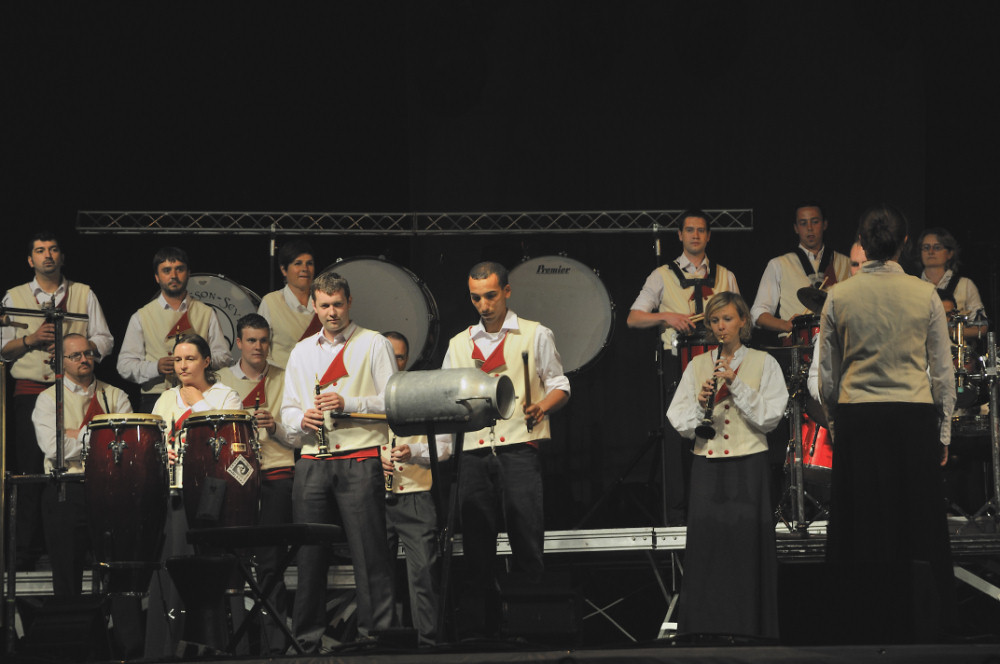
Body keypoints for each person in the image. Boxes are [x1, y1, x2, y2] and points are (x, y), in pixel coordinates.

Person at [818, 205, 956, 643]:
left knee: (861, 523)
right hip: (911, 417)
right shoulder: (924, 294)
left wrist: (837, 425)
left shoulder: (839, 295)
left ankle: (857, 622)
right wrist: (944, 429)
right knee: (916, 521)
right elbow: (942, 371)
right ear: (905, 243)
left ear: (862, 241)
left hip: (860, 417)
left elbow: (826, 376)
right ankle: (926, 624)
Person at [441, 261, 570, 637]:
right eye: (476, 297)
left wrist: (541, 406)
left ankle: (534, 628)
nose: (484, 304)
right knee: (478, 549)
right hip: (474, 453)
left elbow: (559, 383)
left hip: (519, 449)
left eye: (491, 296)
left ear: (507, 292)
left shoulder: (535, 334)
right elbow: (448, 396)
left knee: (526, 540)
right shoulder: (459, 344)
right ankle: (487, 633)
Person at [280, 270, 396, 651]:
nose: (332, 312)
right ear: (314, 306)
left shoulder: (373, 343)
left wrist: (351, 403)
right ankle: (307, 640)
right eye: (324, 305)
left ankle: (374, 636)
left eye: (338, 304)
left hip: (359, 457)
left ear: (349, 303)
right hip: (313, 459)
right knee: (310, 557)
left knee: (369, 553)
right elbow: (289, 411)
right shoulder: (301, 351)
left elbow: (393, 403)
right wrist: (301, 419)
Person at [667, 292, 787, 639]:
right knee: (710, 551)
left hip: (749, 464)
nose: (721, 327)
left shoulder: (764, 363)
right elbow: (679, 419)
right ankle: (705, 630)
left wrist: (736, 386)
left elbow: (770, 418)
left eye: (728, 319)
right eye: (715, 321)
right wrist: (701, 403)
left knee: (746, 550)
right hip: (707, 465)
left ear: (743, 322)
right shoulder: (697, 365)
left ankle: (753, 629)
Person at [1, 231, 114, 570]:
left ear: (62, 256)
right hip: (31, 392)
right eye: (39, 250)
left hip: (76, 390)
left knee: (84, 469)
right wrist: (31, 339)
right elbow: (3, 350)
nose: (47, 255)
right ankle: (25, 554)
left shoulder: (83, 293)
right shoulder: (14, 296)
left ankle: (87, 548)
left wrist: (75, 349)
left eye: (53, 250)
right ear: (30, 259)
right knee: (31, 472)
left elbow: (104, 340)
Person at [626, 208, 740, 525]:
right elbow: (634, 318)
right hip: (679, 365)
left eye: (701, 230)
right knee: (681, 438)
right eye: (689, 230)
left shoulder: (725, 275)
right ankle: (680, 516)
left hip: (717, 365)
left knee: (722, 432)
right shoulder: (661, 276)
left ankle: (723, 509)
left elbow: (741, 323)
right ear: (680, 235)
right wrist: (667, 317)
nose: (695, 235)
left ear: (708, 235)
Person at [146, 333, 241, 657]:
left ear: (206, 361)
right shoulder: (164, 400)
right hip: (175, 493)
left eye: (189, 358)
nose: (182, 365)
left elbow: (228, 441)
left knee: (212, 572)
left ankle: (218, 646)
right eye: (177, 359)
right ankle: (168, 647)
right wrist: (164, 456)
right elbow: (153, 445)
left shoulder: (226, 396)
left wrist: (197, 401)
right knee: (174, 569)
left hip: (216, 496)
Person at [31, 333, 131, 596]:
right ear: (60, 361)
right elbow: (55, 449)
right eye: (75, 355)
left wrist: (78, 434)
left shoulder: (116, 395)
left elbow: (127, 446)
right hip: (66, 491)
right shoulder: (48, 400)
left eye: (87, 353)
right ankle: (71, 634)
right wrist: (100, 437)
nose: (84, 359)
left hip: (111, 490)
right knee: (67, 577)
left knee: (118, 574)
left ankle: (123, 637)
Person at [217, 314, 294, 654]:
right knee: (230, 561)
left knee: (271, 562)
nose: (258, 347)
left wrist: (275, 426)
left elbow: (299, 433)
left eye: (263, 340)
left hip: (276, 472)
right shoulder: (220, 380)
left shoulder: (285, 376)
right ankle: (232, 643)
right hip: (233, 481)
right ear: (238, 343)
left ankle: (273, 644)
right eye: (251, 340)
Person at [118, 246, 232, 413]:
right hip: (156, 397)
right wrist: (156, 367)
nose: (173, 275)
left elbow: (224, 356)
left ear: (188, 273)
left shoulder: (206, 313)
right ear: (157, 277)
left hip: (200, 394)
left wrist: (197, 362)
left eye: (179, 269)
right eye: (166, 270)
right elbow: (124, 366)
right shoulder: (141, 316)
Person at [380, 331, 440, 644]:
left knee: (424, 576)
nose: (394, 362)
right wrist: (376, 461)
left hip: (416, 495)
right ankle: (385, 646)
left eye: (400, 356)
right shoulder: (365, 396)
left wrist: (413, 452)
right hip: (375, 496)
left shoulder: (423, 392)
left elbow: (444, 447)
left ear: (408, 359)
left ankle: (427, 647)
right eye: (388, 355)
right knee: (379, 579)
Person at [752, 201, 852, 337]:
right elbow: (757, 313)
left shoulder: (847, 263)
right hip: (795, 345)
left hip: (837, 343)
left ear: (825, 224)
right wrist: (785, 325)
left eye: (815, 221)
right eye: (803, 223)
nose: (809, 228)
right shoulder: (778, 264)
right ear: (796, 228)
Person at [258, 240, 319, 369]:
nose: (305, 269)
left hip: (318, 380)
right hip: (282, 381)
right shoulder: (271, 302)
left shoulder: (324, 303)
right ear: (284, 270)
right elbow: (261, 352)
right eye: (298, 263)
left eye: (309, 263)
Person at [916, 227, 987, 338]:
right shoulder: (913, 285)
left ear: (949, 253)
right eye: (926, 248)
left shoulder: (965, 285)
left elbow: (981, 327)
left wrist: (949, 333)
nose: (930, 252)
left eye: (937, 247)